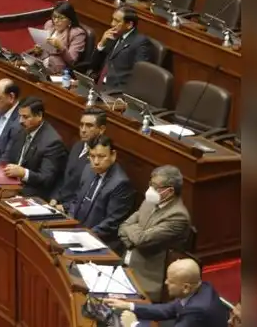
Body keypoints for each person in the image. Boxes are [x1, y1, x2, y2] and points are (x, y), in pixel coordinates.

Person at [117, 165, 192, 301]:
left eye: (155, 186)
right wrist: (133, 241)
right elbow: (124, 225)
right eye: (151, 183)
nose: (150, 189)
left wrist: (135, 237)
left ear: (169, 191)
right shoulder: (150, 201)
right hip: (125, 263)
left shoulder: (178, 216)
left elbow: (142, 239)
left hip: (146, 278)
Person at [60, 135, 133, 251]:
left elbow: (111, 222)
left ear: (113, 155)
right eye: (92, 156)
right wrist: (70, 221)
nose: (96, 162)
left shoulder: (120, 183)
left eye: (101, 156)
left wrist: (84, 235)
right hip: (77, 230)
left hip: (99, 240)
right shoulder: (88, 169)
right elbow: (77, 200)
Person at [105, 258, 229, 326]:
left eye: (170, 281)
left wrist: (133, 324)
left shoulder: (196, 311)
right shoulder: (200, 286)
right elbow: (169, 309)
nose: (165, 283)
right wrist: (129, 306)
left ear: (185, 287)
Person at [1, 97, 67, 200]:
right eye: (20, 116)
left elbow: (46, 179)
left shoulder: (52, 142)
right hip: (10, 185)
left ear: (39, 116)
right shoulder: (22, 130)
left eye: (25, 117)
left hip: (33, 194)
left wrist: (24, 173)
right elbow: (8, 158)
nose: (20, 121)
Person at [50, 107, 107, 207]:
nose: (83, 130)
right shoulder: (78, 146)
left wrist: (65, 207)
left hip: (72, 210)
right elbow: (64, 177)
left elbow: (87, 195)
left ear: (101, 129)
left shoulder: (100, 158)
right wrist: (54, 198)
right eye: (81, 125)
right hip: (57, 202)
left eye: (89, 126)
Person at [91, 7, 152, 91]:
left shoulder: (140, 42)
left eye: (117, 21)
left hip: (117, 91)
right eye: (112, 19)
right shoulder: (113, 35)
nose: (112, 24)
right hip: (98, 84)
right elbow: (93, 65)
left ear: (129, 25)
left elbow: (139, 75)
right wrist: (101, 44)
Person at [31, 1, 87, 75]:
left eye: (61, 18)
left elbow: (72, 61)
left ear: (69, 20)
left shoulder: (77, 34)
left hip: (57, 70)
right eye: (54, 16)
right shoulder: (49, 24)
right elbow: (44, 47)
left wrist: (60, 47)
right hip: (39, 63)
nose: (56, 21)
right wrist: (38, 50)